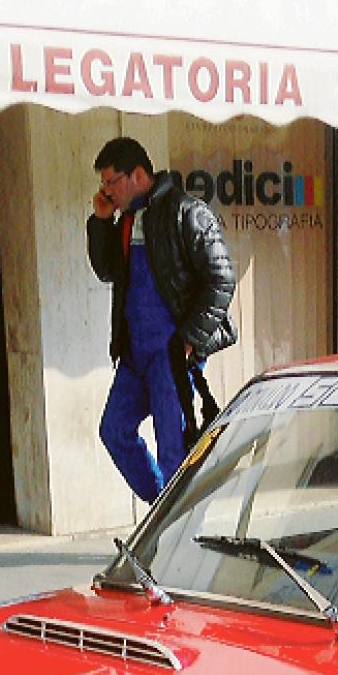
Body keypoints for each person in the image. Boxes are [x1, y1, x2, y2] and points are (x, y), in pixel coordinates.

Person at [87, 136, 236, 504]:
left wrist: (190, 340)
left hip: (171, 355)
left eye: (111, 182)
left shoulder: (188, 212)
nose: (107, 191)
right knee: (114, 431)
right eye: (104, 183)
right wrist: (101, 222)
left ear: (138, 175)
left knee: (175, 451)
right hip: (134, 354)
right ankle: (163, 512)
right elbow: (107, 271)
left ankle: (180, 527)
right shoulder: (126, 219)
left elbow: (221, 279)